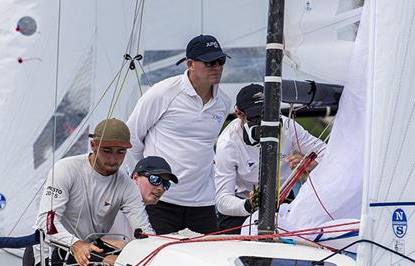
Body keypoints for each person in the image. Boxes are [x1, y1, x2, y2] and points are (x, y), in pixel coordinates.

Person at [23, 118, 154, 266]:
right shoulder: (66, 169)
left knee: (125, 261)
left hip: (88, 251)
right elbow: (46, 223)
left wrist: (156, 249)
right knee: (110, 265)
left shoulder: (127, 185)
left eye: (120, 152)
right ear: (93, 145)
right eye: (107, 150)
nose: (114, 159)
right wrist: (75, 244)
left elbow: (143, 232)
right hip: (47, 253)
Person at [126, 34, 231, 235]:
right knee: (157, 263)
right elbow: (132, 137)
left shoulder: (223, 102)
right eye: (210, 62)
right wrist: (141, 183)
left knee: (208, 264)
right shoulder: (162, 92)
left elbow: (205, 148)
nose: (217, 67)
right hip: (161, 200)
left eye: (221, 61)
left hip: (203, 202)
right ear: (190, 64)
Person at [214, 84, 327, 231]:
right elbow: (223, 200)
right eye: (255, 116)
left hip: (283, 200)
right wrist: (249, 204)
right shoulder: (227, 144)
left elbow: (327, 152)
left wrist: (312, 163)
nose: (264, 122)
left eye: (269, 114)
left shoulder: (287, 126)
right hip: (242, 206)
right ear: (238, 113)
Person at [106, 156, 178, 241]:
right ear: (136, 177)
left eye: (166, 184)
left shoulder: (150, 215)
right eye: (155, 179)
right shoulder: (110, 200)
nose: (161, 188)